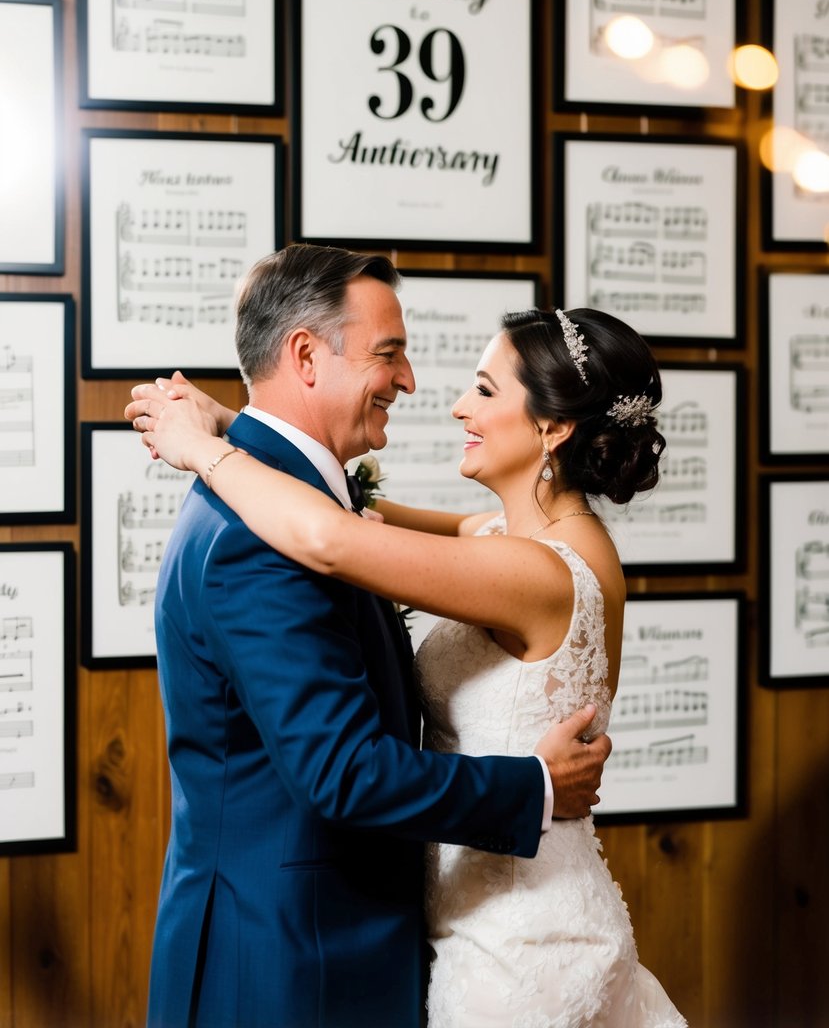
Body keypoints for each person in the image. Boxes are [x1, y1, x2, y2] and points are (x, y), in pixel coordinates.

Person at [129, 265, 687, 1027]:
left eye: (485, 391)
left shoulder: (532, 570)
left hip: (521, 941)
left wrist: (200, 446)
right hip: (339, 942)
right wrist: (236, 426)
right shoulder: (510, 539)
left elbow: (330, 535)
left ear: (553, 428)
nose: (442, 396)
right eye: (389, 354)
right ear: (304, 356)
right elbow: (347, 510)